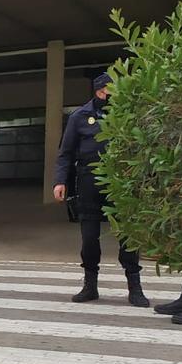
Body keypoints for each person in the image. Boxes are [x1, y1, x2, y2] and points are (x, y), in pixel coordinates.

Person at [53, 73, 149, 307]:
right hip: (89, 181)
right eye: (111, 90)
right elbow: (65, 152)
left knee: (127, 234)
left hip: (120, 181)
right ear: (100, 91)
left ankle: (134, 287)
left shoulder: (127, 114)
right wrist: (60, 181)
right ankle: (90, 286)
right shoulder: (80, 116)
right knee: (89, 237)